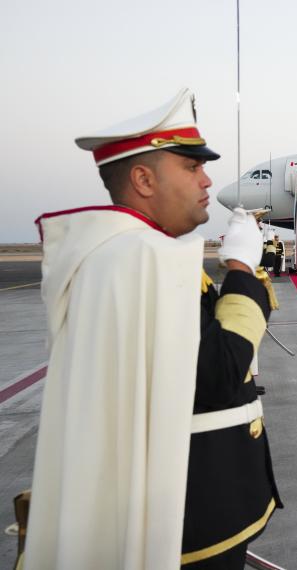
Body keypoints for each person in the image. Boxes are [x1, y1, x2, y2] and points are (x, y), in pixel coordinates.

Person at [25, 88, 280, 569]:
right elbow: (220, 375)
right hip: (188, 520)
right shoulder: (144, 260)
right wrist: (244, 270)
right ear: (143, 178)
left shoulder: (124, 259)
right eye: (191, 167)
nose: (207, 180)